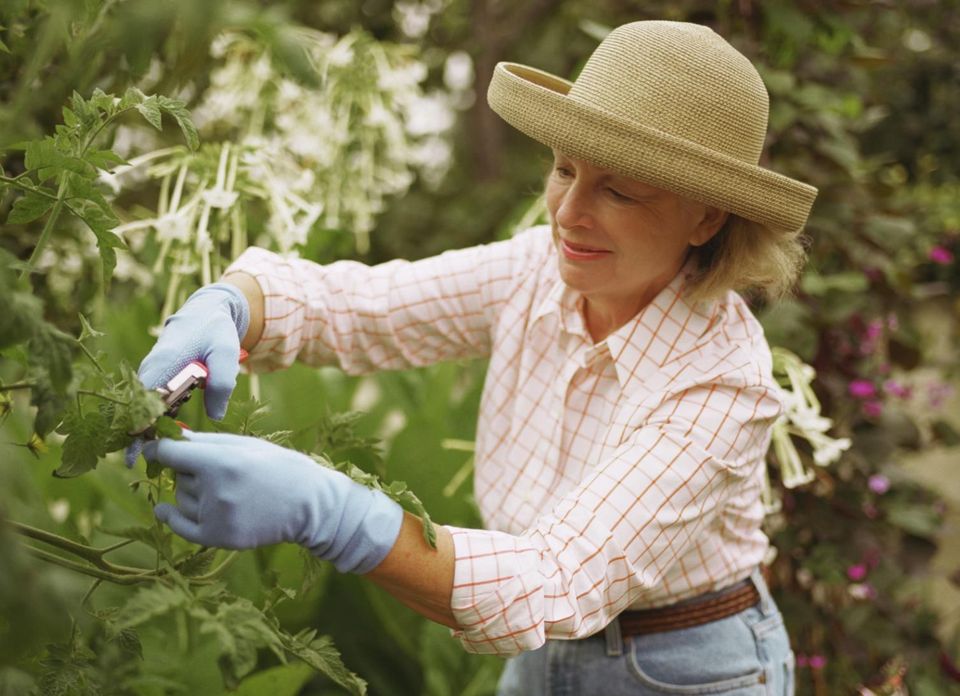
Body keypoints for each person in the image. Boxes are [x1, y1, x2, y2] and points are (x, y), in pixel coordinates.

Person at [129, 20, 817, 695]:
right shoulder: (536, 271)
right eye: (564, 169)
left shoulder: (723, 383)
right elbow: (363, 309)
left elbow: (554, 580)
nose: (567, 213)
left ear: (706, 219)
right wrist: (237, 301)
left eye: (619, 190)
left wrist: (332, 514)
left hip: (687, 668)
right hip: (546, 654)